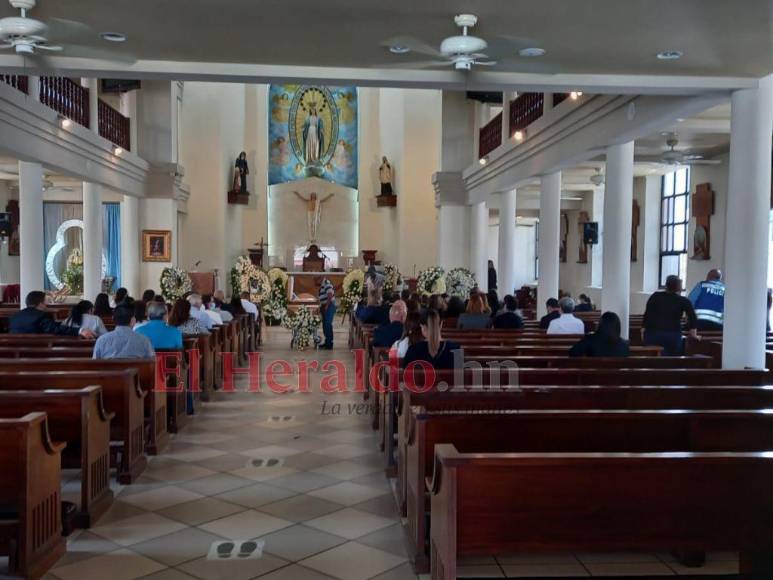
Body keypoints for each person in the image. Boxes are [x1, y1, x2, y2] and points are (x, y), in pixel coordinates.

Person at [643, 275, 697, 356]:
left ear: (666, 285)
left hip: (653, 333)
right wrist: (693, 333)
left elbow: (647, 314)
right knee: (672, 359)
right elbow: (693, 318)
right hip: (673, 335)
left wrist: (643, 329)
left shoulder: (655, 296)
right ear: (679, 287)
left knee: (652, 358)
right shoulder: (684, 301)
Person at [10, 291, 94, 337]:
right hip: (37, 353)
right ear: (40, 304)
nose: (47, 304)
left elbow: (50, 326)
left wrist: (63, 323)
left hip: (16, 354)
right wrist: (80, 331)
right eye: (45, 302)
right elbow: (54, 329)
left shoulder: (14, 316)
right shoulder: (42, 315)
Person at [319, 278, 337, 349]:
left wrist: (327, 305)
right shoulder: (322, 284)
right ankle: (327, 342)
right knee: (325, 325)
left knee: (328, 324)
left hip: (329, 306)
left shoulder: (326, 282)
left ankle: (329, 344)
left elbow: (330, 294)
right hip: (325, 306)